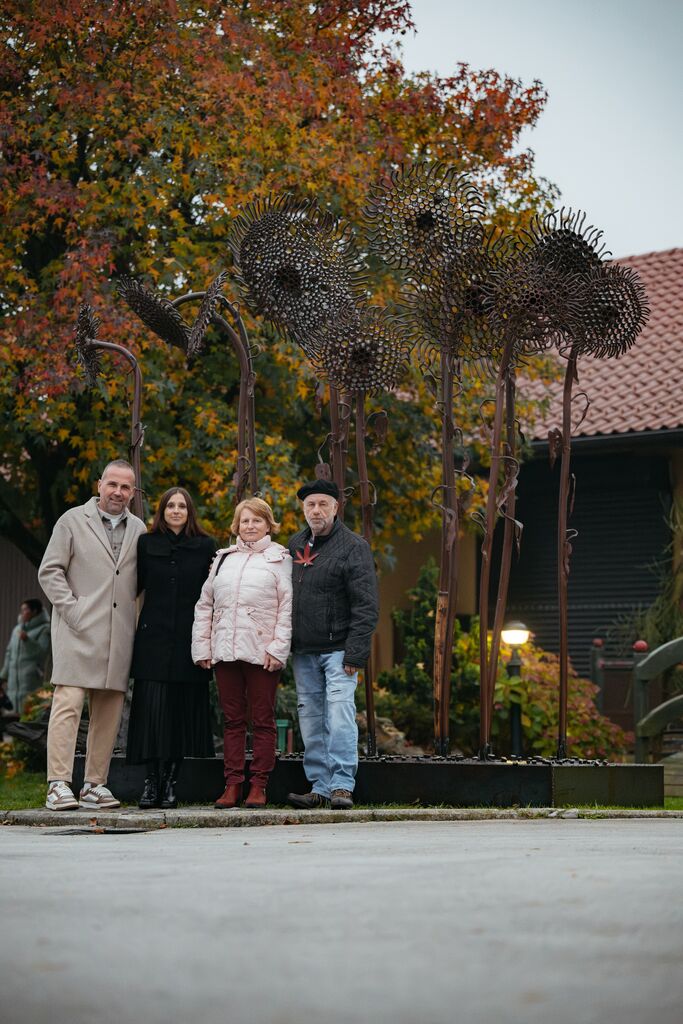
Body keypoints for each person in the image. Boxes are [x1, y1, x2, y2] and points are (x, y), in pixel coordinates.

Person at [38, 459, 146, 810]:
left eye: (125, 487)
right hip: (78, 629)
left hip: (119, 634)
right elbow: (50, 570)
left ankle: (94, 784)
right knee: (68, 703)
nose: (118, 492)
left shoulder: (139, 529)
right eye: (112, 484)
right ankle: (57, 783)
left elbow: (141, 583)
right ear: (100, 484)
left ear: (133, 492)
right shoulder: (71, 521)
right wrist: (73, 611)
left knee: (109, 711)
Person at [192, 497, 292, 809]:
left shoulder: (279, 559)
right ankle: (232, 784)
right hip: (225, 651)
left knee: (262, 720)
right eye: (245, 520)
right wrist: (203, 647)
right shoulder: (223, 559)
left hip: (262, 653)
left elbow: (287, 607)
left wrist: (278, 649)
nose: (250, 526)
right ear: (237, 525)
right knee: (233, 720)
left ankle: (259, 785)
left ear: (268, 524)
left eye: (256, 520)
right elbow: (205, 604)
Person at [286, 480, 378, 811]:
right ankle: (320, 786)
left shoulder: (354, 547)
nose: (316, 510)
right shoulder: (295, 544)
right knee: (311, 720)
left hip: (339, 650)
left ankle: (342, 785)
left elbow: (366, 604)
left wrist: (356, 652)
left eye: (323, 504)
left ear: (336, 508)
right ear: (303, 509)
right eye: (310, 505)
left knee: (339, 716)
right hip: (304, 651)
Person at [126, 487, 216, 809]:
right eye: (170, 506)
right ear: (162, 511)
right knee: (151, 713)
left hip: (189, 642)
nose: (176, 510)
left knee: (179, 714)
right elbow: (133, 586)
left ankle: (170, 784)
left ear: (189, 512)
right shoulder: (146, 543)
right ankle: (151, 782)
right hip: (152, 639)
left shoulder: (205, 546)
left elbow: (213, 593)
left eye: (182, 506)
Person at [0, 599, 51, 715]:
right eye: (21, 610)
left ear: (34, 611)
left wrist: (27, 640)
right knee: (12, 713)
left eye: (25, 610)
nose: (22, 613)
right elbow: (9, 653)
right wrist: (3, 676)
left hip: (31, 678)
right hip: (13, 680)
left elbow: (42, 652)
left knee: (30, 710)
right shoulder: (17, 629)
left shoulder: (44, 629)